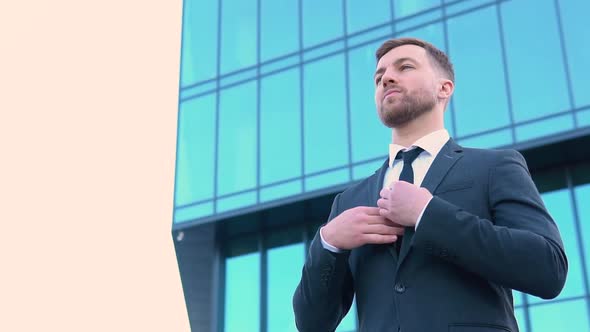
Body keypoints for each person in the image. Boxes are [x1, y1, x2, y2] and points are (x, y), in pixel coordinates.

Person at [292, 37, 568, 332]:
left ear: (444, 88)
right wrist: (328, 243)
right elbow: (312, 324)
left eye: (405, 67)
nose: (387, 78)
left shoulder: (495, 167)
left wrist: (427, 214)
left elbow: (547, 268)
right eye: (378, 76)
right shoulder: (349, 201)